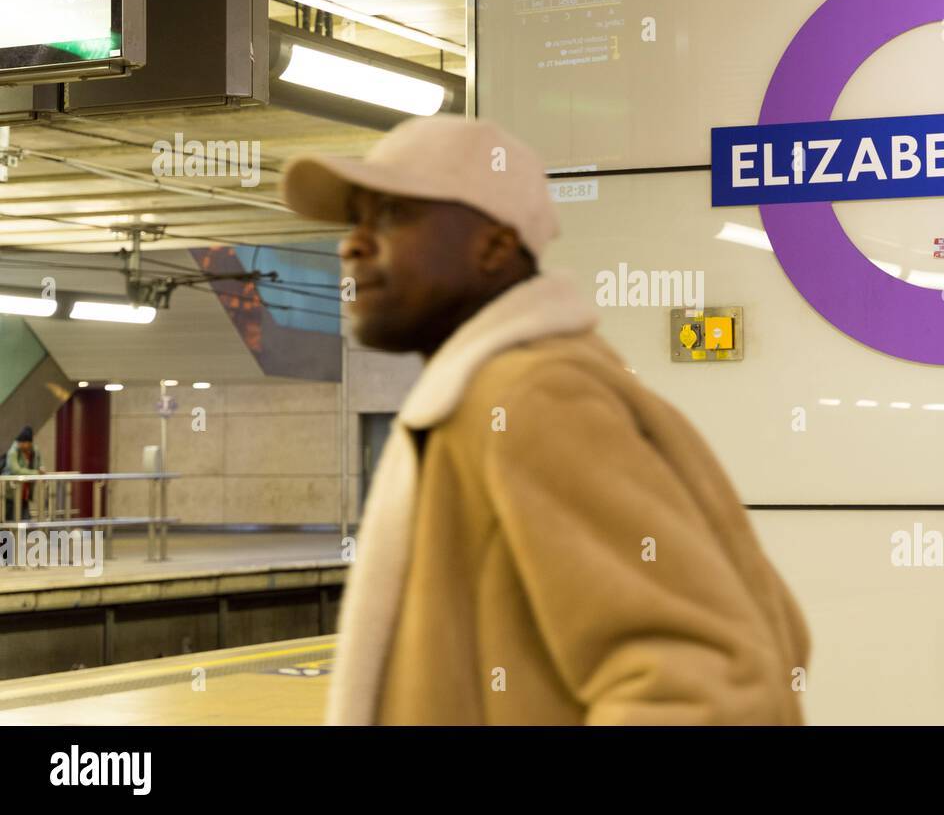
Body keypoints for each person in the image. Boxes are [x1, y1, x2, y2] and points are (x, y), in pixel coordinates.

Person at [282, 116, 811, 725]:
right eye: (356, 219)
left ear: (495, 247)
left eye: (393, 214)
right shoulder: (492, 393)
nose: (352, 243)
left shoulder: (529, 399)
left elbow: (710, 686)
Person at [4, 425, 44, 520]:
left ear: (29, 443)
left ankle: (23, 534)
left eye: (23, 442)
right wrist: (35, 473)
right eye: (20, 442)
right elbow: (15, 470)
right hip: (10, 493)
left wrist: (41, 469)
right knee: (8, 520)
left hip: (25, 492)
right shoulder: (13, 452)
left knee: (24, 520)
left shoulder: (35, 451)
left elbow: (40, 464)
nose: (21, 444)